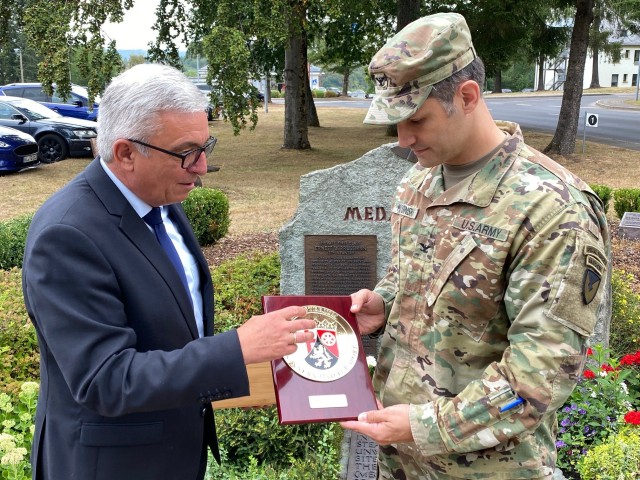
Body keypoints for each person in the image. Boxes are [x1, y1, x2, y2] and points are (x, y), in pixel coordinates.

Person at [341, 12, 610, 480]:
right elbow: (417, 270)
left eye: (416, 119)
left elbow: (540, 375)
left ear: (466, 97)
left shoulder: (551, 208)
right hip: (402, 462)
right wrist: (384, 299)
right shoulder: (418, 181)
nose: (403, 140)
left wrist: (425, 424)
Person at [21, 63, 315, 480]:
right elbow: (105, 379)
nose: (201, 168)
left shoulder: (159, 199)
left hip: (173, 452)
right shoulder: (67, 236)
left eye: (205, 146)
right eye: (186, 153)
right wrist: (237, 348)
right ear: (125, 153)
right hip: (111, 466)